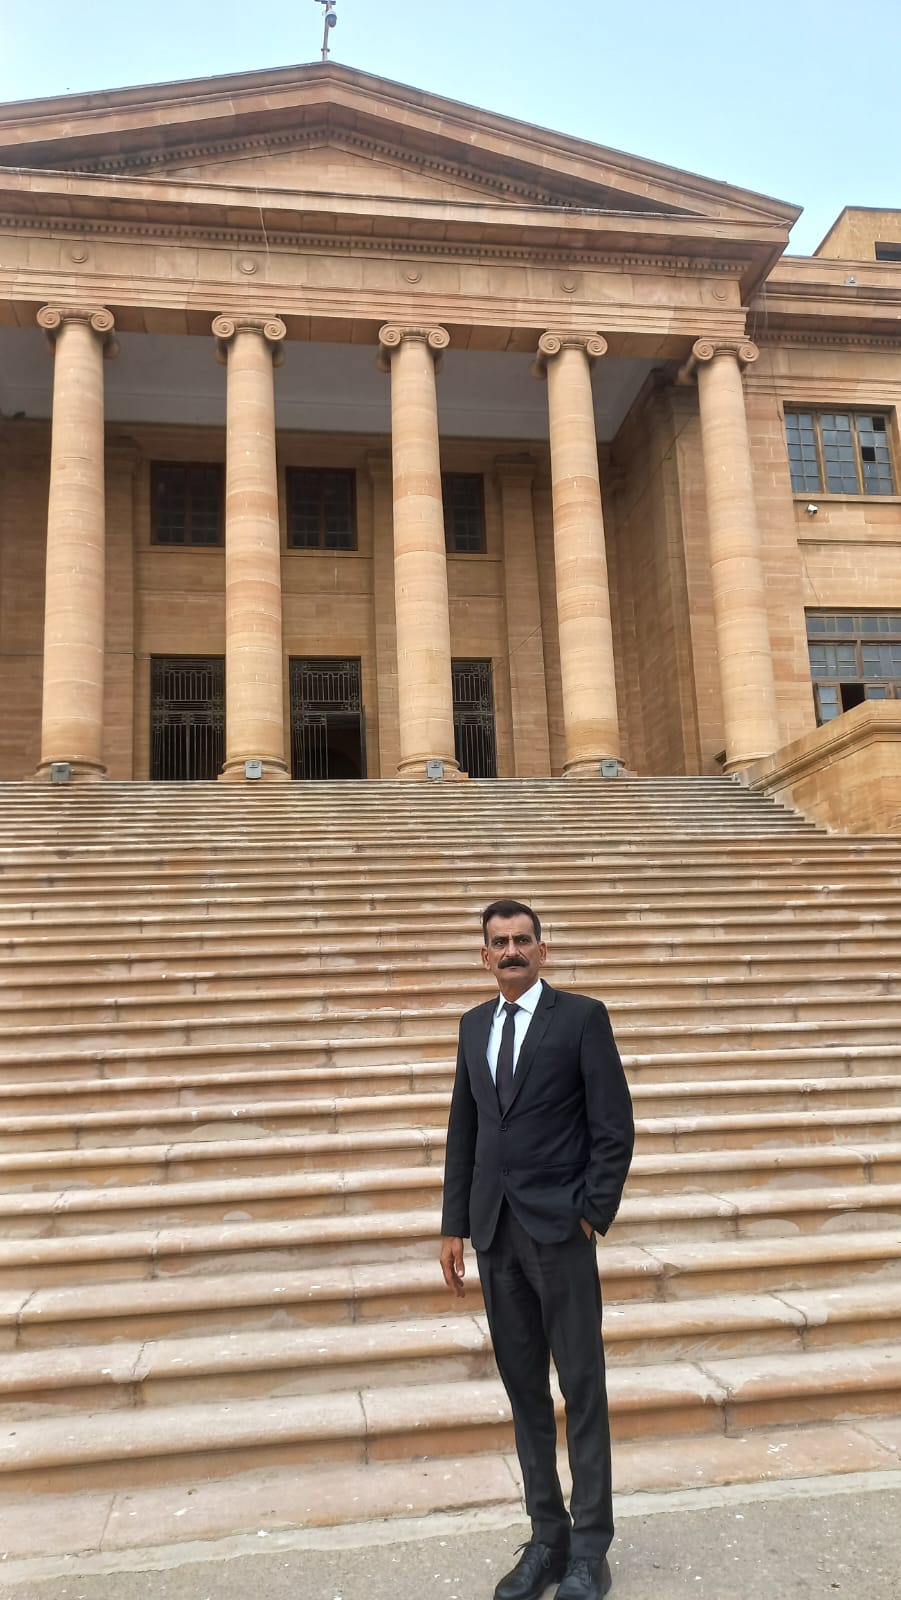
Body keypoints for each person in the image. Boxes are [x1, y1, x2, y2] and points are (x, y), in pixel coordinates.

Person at [440, 899, 634, 1600]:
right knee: (524, 1390)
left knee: (581, 1387)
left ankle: (589, 1548)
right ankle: (546, 1537)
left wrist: (590, 1214)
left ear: (541, 950)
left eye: (522, 940)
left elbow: (613, 1125)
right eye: (499, 942)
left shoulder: (580, 1018)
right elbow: (464, 1128)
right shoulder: (473, 1026)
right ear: (484, 955)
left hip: (560, 1232)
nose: (511, 951)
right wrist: (453, 1224)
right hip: (495, 1233)